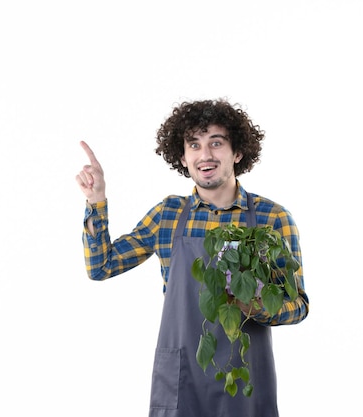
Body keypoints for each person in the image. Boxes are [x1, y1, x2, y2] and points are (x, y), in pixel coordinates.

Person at [75, 99, 309, 417]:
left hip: (242, 379)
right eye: (194, 145)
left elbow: (298, 305)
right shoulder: (167, 215)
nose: (205, 154)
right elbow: (100, 266)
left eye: (216, 143)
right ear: (183, 158)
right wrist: (96, 200)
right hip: (182, 374)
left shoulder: (272, 218)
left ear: (237, 152)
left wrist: (252, 306)